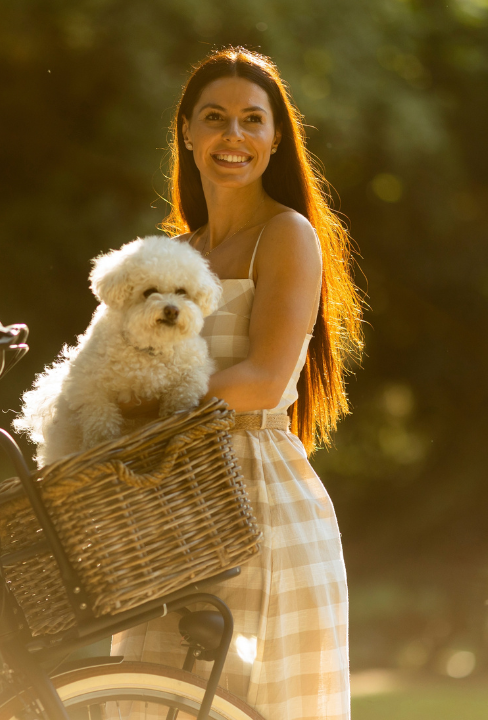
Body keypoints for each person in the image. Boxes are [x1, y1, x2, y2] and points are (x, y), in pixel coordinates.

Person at [112, 47, 363, 720]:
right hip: (175, 504)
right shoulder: (177, 256)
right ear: (187, 131)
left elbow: (263, 378)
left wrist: (155, 406)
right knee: (147, 695)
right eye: (216, 118)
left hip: (261, 504)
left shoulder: (286, 235)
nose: (234, 136)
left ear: (276, 139)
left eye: (253, 120)